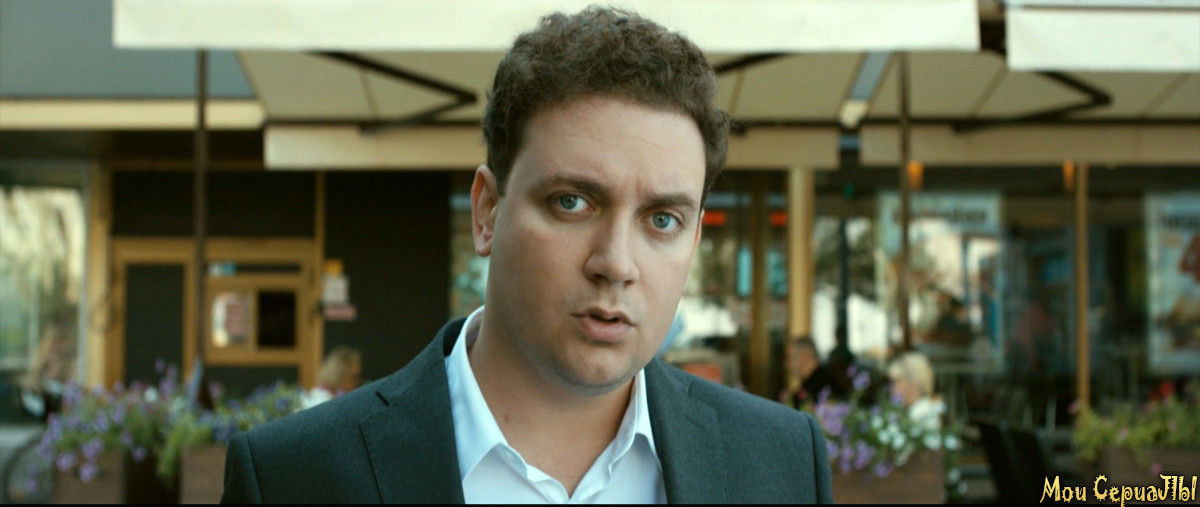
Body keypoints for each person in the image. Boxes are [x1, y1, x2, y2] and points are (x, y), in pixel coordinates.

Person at [222, 6, 832, 504]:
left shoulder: (780, 463)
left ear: (694, 239)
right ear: (487, 212)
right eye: (573, 202)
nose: (616, 263)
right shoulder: (293, 477)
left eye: (662, 219)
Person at [779, 336, 848, 408]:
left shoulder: (820, 387)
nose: (787, 365)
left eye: (790, 358)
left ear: (805, 356)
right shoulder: (822, 379)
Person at [886, 351, 945, 432]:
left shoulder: (919, 416)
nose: (892, 389)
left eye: (897, 382)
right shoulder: (925, 409)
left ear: (913, 384)